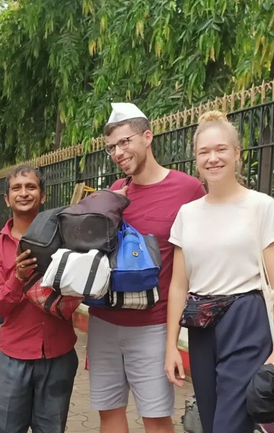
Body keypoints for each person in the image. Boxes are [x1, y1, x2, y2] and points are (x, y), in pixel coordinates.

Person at [165, 111, 274, 433]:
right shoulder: (187, 214)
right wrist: (171, 346)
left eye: (221, 149)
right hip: (201, 323)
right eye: (204, 152)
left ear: (237, 153)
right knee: (211, 423)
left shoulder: (260, 206)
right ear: (195, 158)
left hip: (245, 320)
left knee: (229, 425)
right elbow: (178, 285)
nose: (213, 158)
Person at [87, 103, 206, 433]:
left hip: (153, 326)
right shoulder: (112, 193)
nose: (118, 152)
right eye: (111, 147)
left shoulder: (188, 190)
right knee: (109, 412)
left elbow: (199, 256)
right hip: (104, 320)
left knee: (155, 417)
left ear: (147, 137)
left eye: (125, 142)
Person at [0, 165, 78, 433]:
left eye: (31, 187)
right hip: (13, 360)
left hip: (59, 355)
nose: (24, 193)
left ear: (43, 195)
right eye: (16, 188)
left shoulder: (65, 238)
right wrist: (19, 277)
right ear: (7, 199)